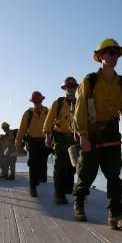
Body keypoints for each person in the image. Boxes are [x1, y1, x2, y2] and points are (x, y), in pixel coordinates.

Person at [72, 38, 122, 229]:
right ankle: (78, 204)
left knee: (114, 176)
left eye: (116, 53)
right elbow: (80, 110)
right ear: (100, 56)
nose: (114, 56)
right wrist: (83, 136)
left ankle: (116, 215)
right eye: (110, 52)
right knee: (86, 174)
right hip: (91, 133)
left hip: (112, 133)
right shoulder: (89, 80)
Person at [44, 77, 79, 205]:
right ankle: (59, 194)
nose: (71, 88)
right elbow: (48, 121)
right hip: (60, 137)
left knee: (72, 166)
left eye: (73, 86)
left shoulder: (80, 103)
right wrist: (47, 137)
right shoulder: (57, 103)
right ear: (65, 88)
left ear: (76, 87)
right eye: (68, 86)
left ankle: (67, 190)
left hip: (75, 138)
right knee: (60, 164)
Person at [15, 92, 49, 196]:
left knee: (43, 163)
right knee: (33, 163)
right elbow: (21, 131)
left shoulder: (47, 112)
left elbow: (53, 126)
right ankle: (32, 187)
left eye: (39, 101)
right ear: (33, 102)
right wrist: (19, 146)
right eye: (35, 101)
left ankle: (40, 177)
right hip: (32, 141)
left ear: (42, 101)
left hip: (45, 141)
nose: (37, 103)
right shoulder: (28, 113)